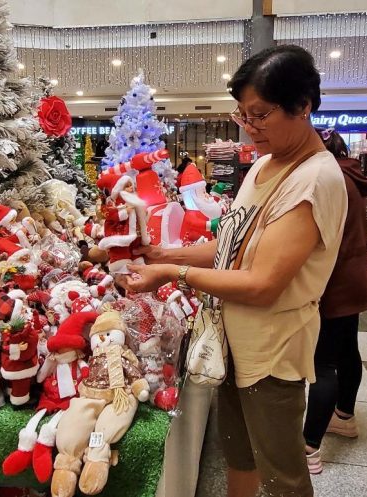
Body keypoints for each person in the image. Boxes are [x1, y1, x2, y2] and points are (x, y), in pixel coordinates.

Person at [121, 45, 347, 497]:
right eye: (243, 115)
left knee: (282, 473)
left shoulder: (314, 179)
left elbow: (262, 284)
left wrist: (173, 276)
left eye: (261, 115)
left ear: (303, 106)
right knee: (239, 455)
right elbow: (230, 246)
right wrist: (163, 254)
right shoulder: (264, 164)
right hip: (232, 343)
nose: (250, 127)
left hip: (271, 352)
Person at [302, 128, 367, 474]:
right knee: (347, 350)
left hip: (332, 283)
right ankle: (344, 416)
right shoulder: (351, 175)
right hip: (354, 280)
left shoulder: (329, 180)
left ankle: (309, 448)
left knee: (322, 364)